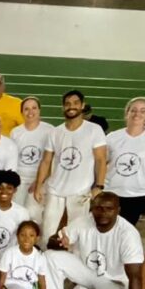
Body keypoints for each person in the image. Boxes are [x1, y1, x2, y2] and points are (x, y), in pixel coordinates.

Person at [47, 192, 144, 289]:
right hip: (88, 272)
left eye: (109, 208)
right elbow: (53, 241)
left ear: (118, 210)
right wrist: (58, 242)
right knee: (50, 256)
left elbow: (135, 277)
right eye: (98, 208)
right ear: (92, 208)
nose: (103, 213)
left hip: (114, 281)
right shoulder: (83, 221)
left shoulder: (128, 234)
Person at [34, 90, 107, 249]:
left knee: (76, 234)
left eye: (75, 103)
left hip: (80, 192)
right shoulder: (55, 132)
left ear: (82, 105)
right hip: (55, 189)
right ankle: (46, 261)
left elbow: (101, 160)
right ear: (63, 107)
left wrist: (99, 186)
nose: (71, 107)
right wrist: (39, 185)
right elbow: (46, 160)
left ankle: (74, 265)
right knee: (48, 230)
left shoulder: (94, 130)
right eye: (67, 104)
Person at [105, 97, 145, 226]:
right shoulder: (112, 137)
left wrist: (136, 177)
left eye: (142, 111)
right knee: (105, 227)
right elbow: (104, 162)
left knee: (126, 230)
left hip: (137, 193)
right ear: (127, 113)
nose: (137, 114)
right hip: (111, 191)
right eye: (133, 110)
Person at [10, 96, 54, 219]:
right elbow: (13, 158)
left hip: (40, 179)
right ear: (21, 112)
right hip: (20, 179)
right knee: (17, 212)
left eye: (34, 108)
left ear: (39, 110)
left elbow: (51, 160)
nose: (30, 112)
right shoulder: (16, 132)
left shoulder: (49, 130)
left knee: (34, 214)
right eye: (26, 109)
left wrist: (39, 182)